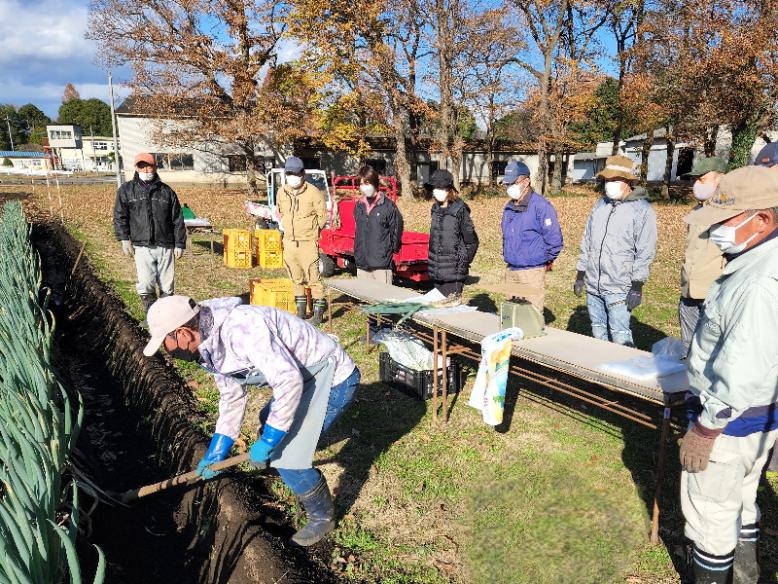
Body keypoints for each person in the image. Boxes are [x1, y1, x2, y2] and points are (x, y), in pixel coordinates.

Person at [143, 295, 360, 547]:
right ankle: (275, 451)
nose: (168, 352)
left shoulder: (242, 329)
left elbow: (288, 381)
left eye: (166, 343)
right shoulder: (208, 339)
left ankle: (321, 516)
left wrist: (271, 439)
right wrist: (219, 447)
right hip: (303, 375)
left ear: (183, 333)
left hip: (332, 378)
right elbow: (231, 395)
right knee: (268, 418)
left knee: (287, 456)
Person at [679, 165, 778, 584]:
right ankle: (745, 572)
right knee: (742, 496)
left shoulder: (758, 283)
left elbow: (740, 368)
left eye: (724, 222)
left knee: (710, 514)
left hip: (731, 422)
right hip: (758, 412)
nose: (714, 231)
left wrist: (706, 427)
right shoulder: (756, 259)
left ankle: (715, 572)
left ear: (762, 220)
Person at [574, 155, 657, 346]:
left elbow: (645, 252)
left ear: (628, 181)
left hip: (619, 287)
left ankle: (623, 372)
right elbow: (587, 240)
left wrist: (637, 286)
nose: (609, 184)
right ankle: (598, 369)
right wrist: (580, 273)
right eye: (607, 179)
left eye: (614, 180)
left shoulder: (641, 210)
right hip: (593, 284)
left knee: (620, 335)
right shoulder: (600, 206)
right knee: (598, 330)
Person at [113, 152, 186, 315]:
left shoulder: (167, 192)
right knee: (146, 284)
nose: (146, 170)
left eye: (149, 166)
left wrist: (179, 243)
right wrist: (124, 238)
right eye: (142, 166)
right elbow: (120, 216)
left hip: (165, 245)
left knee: (167, 286)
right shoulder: (126, 190)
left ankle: (166, 319)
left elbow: (177, 219)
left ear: (155, 167)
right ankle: (152, 317)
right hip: (141, 246)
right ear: (136, 167)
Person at [501, 160, 563, 315]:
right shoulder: (509, 207)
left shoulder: (541, 206)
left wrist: (542, 261)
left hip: (532, 271)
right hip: (512, 270)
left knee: (530, 320)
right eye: (507, 184)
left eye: (513, 183)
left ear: (526, 181)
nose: (509, 187)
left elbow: (554, 240)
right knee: (513, 317)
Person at [679, 157, 727, 353]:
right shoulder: (696, 211)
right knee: (687, 350)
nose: (697, 184)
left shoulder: (729, 212)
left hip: (713, 294)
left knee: (709, 351)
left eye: (703, 178)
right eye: (695, 179)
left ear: (720, 179)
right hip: (688, 289)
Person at [276, 156, 328, 324]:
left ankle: (318, 314)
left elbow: (322, 217)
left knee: (314, 279)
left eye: (296, 173)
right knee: (295, 278)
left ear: (303, 174)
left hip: (308, 243)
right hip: (289, 243)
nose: (293, 176)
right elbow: (279, 212)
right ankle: (301, 311)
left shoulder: (314, 192)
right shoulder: (281, 192)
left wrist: (311, 232)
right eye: (289, 173)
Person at [426, 169, 479, 303]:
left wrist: (462, 263)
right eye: (434, 188)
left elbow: (472, 241)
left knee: (450, 312)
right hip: (437, 271)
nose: (436, 191)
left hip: (453, 274)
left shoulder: (460, 210)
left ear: (449, 189)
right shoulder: (435, 209)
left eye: (440, 188)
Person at [353, 165, 403, 284]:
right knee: (364, 300)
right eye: (361, 184)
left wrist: (387, 252)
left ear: (375, 183)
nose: (364, 187)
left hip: (381, 265)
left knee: (383, 301)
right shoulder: (359, 206)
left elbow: (396, 230)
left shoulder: (388, 206)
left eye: (367, 183)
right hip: (362, 264)